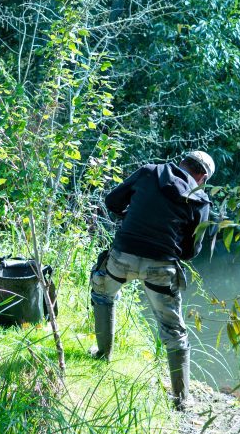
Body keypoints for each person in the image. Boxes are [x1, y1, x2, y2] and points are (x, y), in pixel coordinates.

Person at [89, 151, 215, 410]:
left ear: (182, 162)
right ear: (202, 177)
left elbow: (112, 201)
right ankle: (182, 401)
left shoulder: (149, 171)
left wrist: (133, 217)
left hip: (122, 257)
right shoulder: (201, 202)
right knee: (174, 332)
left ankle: (102, 354)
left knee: (102, 292)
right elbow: (191, 252)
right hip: (161, 267)